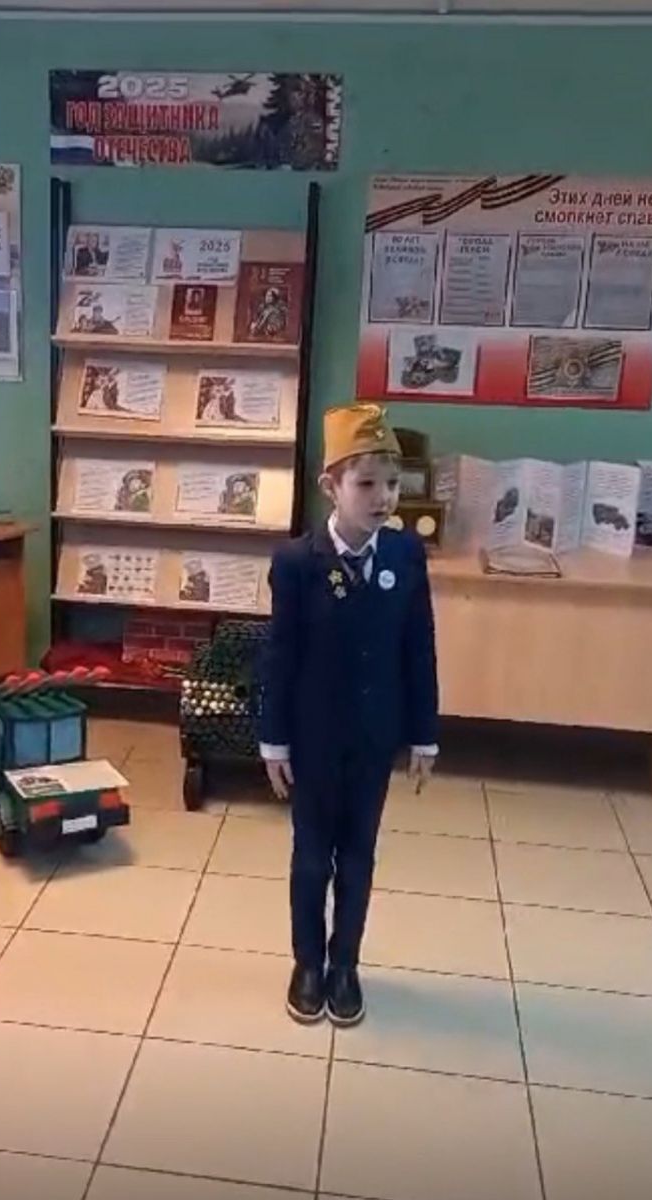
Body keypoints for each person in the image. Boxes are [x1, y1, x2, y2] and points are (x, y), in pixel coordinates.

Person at [258, 401, 439, 1027]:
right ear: (330, 486)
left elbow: (419, 647)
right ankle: (308, 962)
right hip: (312, 740)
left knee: (358, 856)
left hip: (373, 738)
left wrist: (424, 734)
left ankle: (346, 965)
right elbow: (279, 656)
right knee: (312, 857)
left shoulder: (405, 557)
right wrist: (273, 741)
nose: (383, 497)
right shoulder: (297, 563)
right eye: (366, 483)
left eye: (393, 483)